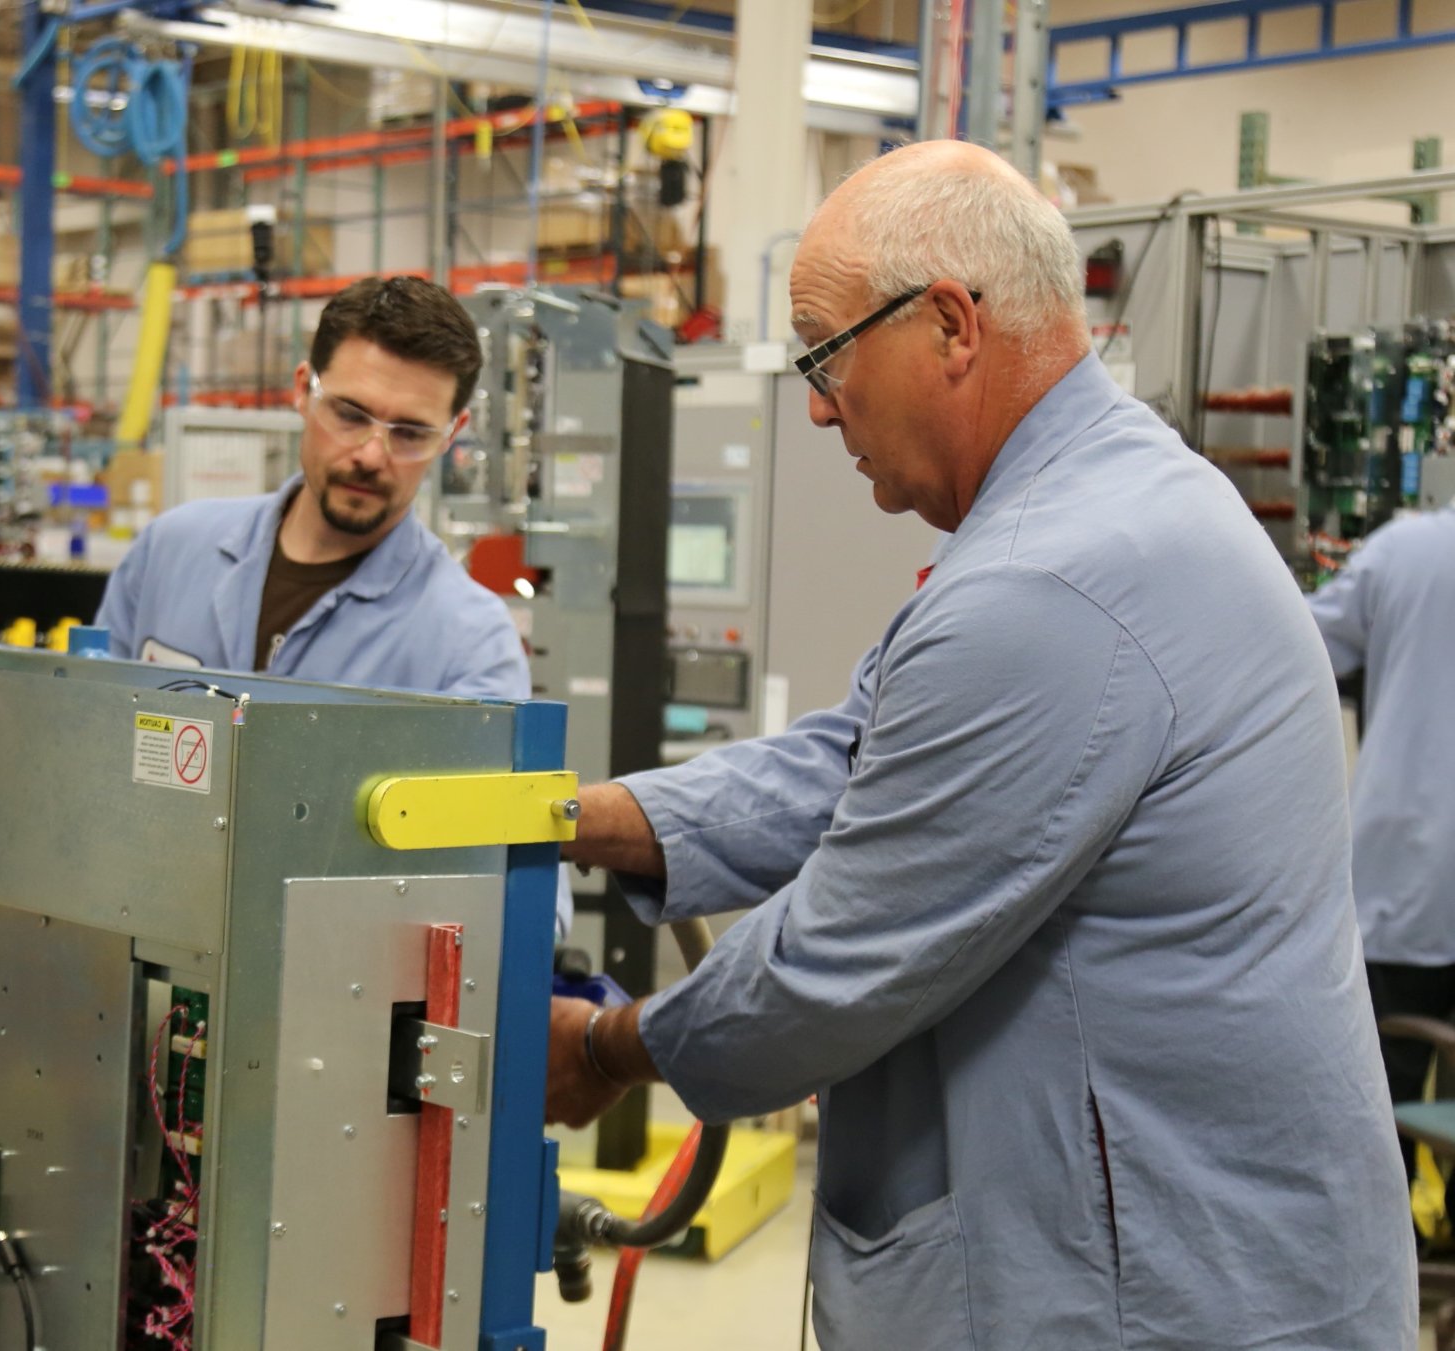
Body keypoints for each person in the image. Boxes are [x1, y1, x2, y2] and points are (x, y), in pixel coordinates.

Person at [546, 141, 1414, 1349]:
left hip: (1154, 1296)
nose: (814, 401)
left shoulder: (1054, 580)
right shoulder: (1106, 504)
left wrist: (607, 1046)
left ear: (950, 324)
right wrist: (561, 817)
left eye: (825, 352)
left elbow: (839, 956)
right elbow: (854, 758)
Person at [92, 275, 527, 700]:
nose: (372, 456)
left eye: (410, 432)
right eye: (351, 415)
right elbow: (88, 732)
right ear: (303, 390)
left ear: (451, 435)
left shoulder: (471, 646)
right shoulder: (168, 554)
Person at [1309, 506, 1455, 1169]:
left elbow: (1298, 642)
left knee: (1374, 1113)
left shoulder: (1405, 552)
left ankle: (1398, 1260)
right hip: (1403, 875)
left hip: (1400, 870)